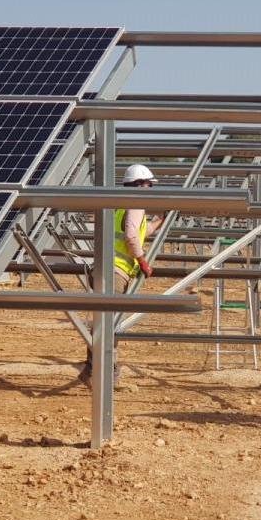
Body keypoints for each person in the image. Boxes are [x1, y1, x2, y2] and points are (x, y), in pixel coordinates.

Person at [78, 163, 163, 386]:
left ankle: (92, 370)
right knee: (109, 326)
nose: (150, 190)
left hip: (103, 268)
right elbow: (131, 236)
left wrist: (159, 221)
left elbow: (139, 230)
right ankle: (105, 374)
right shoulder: (135, 203)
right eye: (148, 185)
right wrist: (143, 261)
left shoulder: (120, 203)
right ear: (139, 184)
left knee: (102, 323)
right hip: (114, 272)